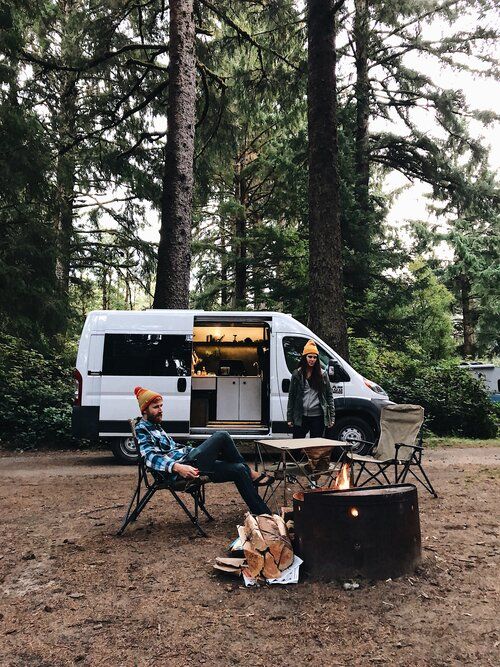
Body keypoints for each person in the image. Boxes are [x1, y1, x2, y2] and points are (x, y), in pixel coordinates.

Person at [133, 386, 271, 515]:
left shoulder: (155, 426)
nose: (160, 410)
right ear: (144, 410)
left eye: (161, 406)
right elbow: (149, 457)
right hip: (184, 468)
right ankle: (252, 473)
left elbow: (174, 447)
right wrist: (177, 467)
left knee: (239, 469)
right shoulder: (142, 428)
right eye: (156, 407)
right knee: (222, 436)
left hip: (190, 460)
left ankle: (265, 514)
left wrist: (203, 451)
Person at [286, 340, 335, 438]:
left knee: (315, 447)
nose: (312, 359)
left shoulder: (322, 374)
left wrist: (332, 417)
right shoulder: (297, 374)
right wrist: (290, 417)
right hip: (301, 415)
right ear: (305, 357)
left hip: (317, 417)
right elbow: (292, 396)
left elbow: (329, 396)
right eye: (310, 357)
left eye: (315, 357)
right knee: (297, 445)